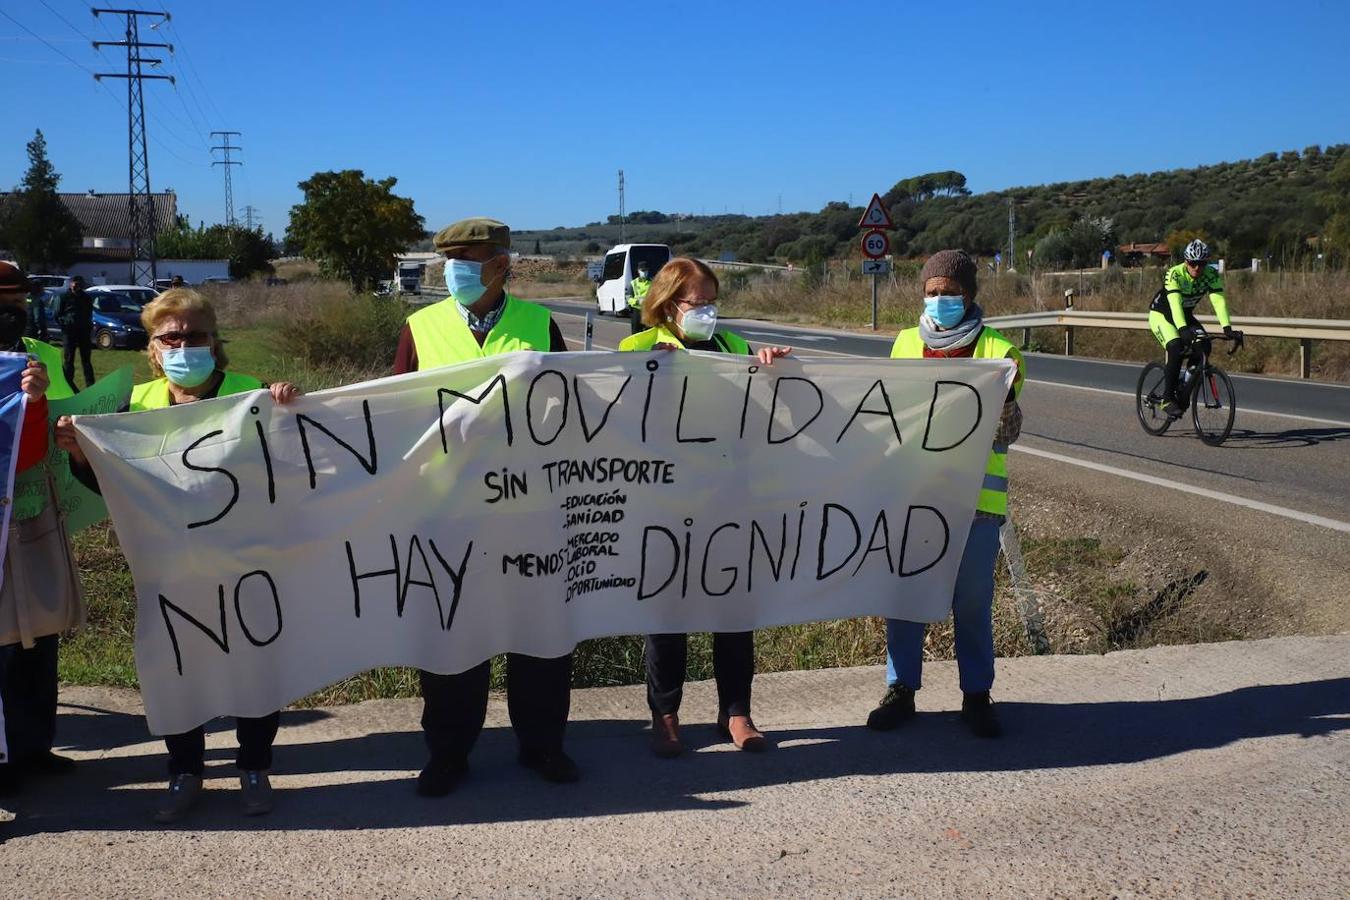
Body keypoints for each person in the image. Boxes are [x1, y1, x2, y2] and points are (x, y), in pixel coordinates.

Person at [56, 288, 300, 822]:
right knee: (176, 666)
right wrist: (79, 454)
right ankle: (185, 770)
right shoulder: (135, 405)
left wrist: (290, 409)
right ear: (152, 348)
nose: (184, 345)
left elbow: (295, 464)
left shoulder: (251, 393)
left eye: (195, 335)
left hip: (246, 559)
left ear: (215, 342)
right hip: (166, 565)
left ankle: (254, 765)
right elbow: (107, 483)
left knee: (254, 661)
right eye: (172, 337)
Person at [393, 216, 578, 797]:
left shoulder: (539, 324)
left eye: (468, 260)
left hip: (530, 509)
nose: (455, 271)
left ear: (502, 264)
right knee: (452, 633)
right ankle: (448, 752)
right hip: (448, 512)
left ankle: (542, 743)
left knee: (540, 633)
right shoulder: (419, 328)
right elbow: (390, 413)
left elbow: (569, 409)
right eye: (449, 260)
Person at [618, 257, 791, 757]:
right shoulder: (637, 349)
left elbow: (768, 406)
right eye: (698, 303)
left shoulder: (732, 348)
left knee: (733, 610)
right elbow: (621, 420)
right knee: (667, 614)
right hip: (664, 502)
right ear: (669, 304)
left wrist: (772, 366)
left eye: (713, 302)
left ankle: (736, 712)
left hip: (729, 498)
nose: (708, 312)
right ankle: (666, 715)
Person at [867, 249, 1024, 739]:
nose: (940, 301)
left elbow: (1008, 431)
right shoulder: (905, 343)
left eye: (950, 293)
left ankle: (977, 695)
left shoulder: (998, 351)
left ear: (970, 295)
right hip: (914, 496)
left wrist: (1000, 401)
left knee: (972, 604)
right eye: (932, 293)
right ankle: (901, 690)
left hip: (977, 502)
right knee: (906, 595)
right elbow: (889, 413)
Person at [0, 261, 81, 797]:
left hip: (37, 509)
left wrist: (52, 407)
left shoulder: (42, 353)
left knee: (42, 631)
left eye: (17, 300)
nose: (13, 310)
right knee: (6, 636)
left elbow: (71, 409)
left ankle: (36, 744)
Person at [1148, 239, 1242, 417]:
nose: (1197, 268)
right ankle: (1167, 398)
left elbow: (1218, 301)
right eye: (1192, 263)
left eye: (1201, 264)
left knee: (1204, 347)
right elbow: (1175, 305)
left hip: (1185, 315)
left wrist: (1227, 328)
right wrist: (1183, 330)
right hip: (1162, 315)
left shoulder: (1211, 275)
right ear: (1185, 261)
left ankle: (1185, 385)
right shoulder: (1174, 274)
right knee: (1175, 346)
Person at [54, 275, 95, 390]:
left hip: (84, 332)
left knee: (86, 360)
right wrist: (65, 324)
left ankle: (90, 385)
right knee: (69, 359)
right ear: (70, 284)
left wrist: (88, 325)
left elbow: (89, 313)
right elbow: (56, 314)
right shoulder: (63, 297)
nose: (77, 286)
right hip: (69, 332)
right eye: (75, 284)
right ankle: (68, 384)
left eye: (79, 284)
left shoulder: (86, 298)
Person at [627, 262, 653, 335]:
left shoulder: (652, 283)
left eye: (646, 271)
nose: (644, 273)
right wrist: (637, 301)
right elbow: (628, 298)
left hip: (648, 311)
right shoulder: (633, 283)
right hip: (636, 311)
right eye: (642, 271)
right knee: (636, 333)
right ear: (638, 271)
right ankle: (636, 346)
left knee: (649, 333)